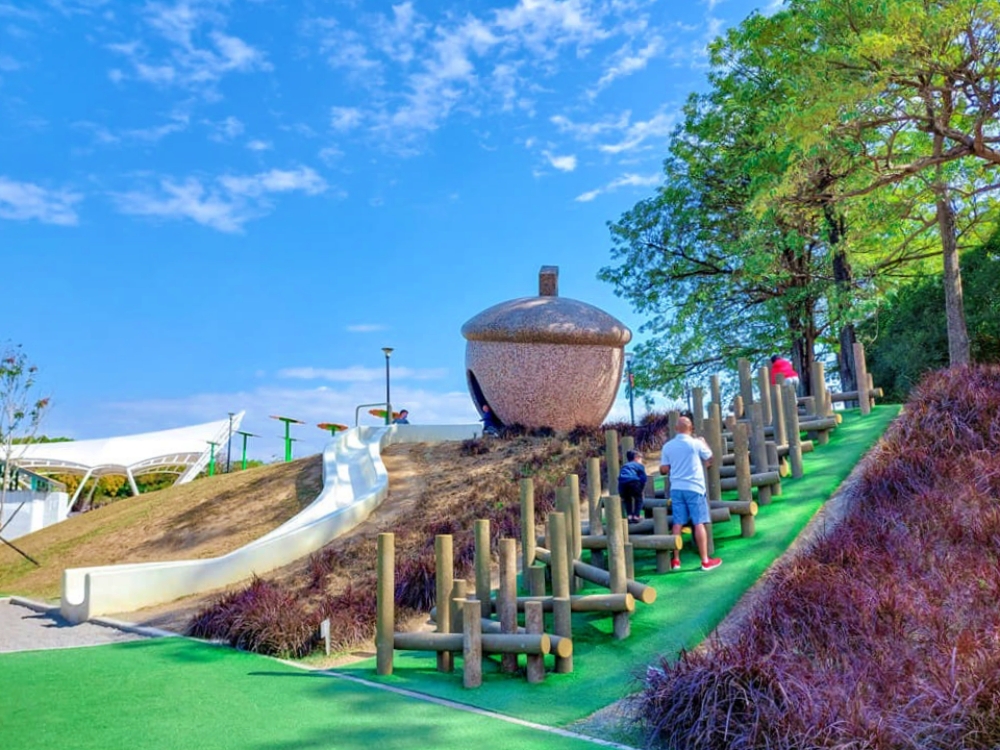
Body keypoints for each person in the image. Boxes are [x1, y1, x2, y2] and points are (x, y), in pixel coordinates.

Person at [660, 416, 722, 572]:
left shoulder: (668, 446)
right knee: (699, 522)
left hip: (676, 488)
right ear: (691, 428)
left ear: (675, 428)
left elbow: (663, 469)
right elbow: (710, 457)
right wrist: (704, 442)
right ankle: (705, 561)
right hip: (695, 487)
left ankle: (676, 560)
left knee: (677, 524)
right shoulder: (696, 444)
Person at [618, 450, 647, 524]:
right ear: (636, 458)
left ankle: (629, 516)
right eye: (641, 458)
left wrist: (621, 493)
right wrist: (641, 489)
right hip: (633, 482)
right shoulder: (639, 465)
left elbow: (620, 478)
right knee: (639, 499)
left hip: (622, 484)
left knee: (627, 500)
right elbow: (643, 478)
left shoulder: (624, 466)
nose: (641, 460)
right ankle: (636, 516)